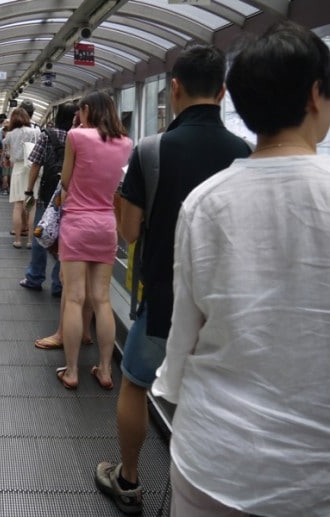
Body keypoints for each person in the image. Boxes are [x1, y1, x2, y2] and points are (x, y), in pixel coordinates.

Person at [151, 21, 330, 516]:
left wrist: (167, 388)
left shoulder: (205, 203)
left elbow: (185, 331)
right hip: (316, 473)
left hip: (213, 457)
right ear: (316, 95)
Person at [94, 44, 252, 515]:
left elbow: (130, 232)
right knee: (212, 393)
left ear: (174, 88)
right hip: (222, 306)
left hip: (161, 300)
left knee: (136, 384)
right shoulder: (245, 153)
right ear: (223, 92)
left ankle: (129, 480)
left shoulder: (151, 149)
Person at [55, 90, 132, 390]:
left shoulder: (76, 136)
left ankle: (72, 371)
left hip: (77, 222)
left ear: (86, 110)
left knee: (74, 298)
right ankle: (105, 370)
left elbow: (65, 179)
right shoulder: (126, 143)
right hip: (105, 224)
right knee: (102, 299)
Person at [18, 101, 77, 295]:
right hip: (70, 194)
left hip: (48, 193)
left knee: (41, 233)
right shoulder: (80, 137)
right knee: (65, 238)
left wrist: (28, 190)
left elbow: (35, 164)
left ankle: (35, 277)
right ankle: (59, 284)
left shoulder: (47, 135)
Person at [2, 107, 38, 248]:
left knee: (18, 205)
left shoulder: (10, 134)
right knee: (31, 205)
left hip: (17, 169)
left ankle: (17, 240)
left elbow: (6, 152)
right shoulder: (36, 132)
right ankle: (30, 241)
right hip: (32, 168)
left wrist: (7, 157)